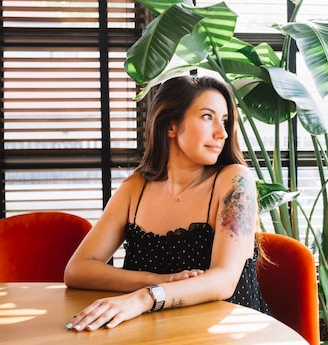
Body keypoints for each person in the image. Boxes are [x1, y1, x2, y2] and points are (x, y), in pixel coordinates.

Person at [64, 75, 270, 331]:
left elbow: (223, 281)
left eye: (225, 121)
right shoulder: (134, 188)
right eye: (208, 117)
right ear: (171, 125)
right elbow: (77, 271)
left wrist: (145, 297)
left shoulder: (234, 181)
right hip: (155, 332)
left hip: (229, 333)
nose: (222, 133)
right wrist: (160, 280)